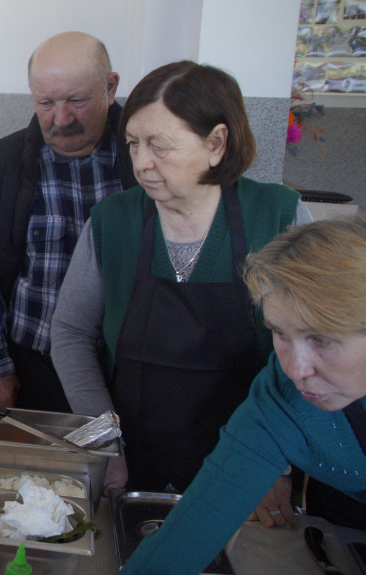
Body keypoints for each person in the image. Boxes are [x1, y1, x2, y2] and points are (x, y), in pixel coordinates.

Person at [50, 60, 312, 497]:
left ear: (216, 143)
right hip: (131, 463)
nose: (142, 163)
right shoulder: (112, 222)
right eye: (134, 144)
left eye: (160, 145)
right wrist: (103, 439)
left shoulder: (278, 217)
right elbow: (70, 332)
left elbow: (312, 353)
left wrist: (277, 463)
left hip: (249, 465)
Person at [121, 216, 366, 574]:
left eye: (321, 340)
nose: (296, 369)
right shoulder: (280, 394)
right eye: (280, 334)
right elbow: (198, 523)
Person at [0, 31, 135, 414]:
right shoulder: (9, 166)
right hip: (35, 368)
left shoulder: (143, 160)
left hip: (124, 370)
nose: (61, 119)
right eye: (46, 103)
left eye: (77, 101)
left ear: (110, 87)